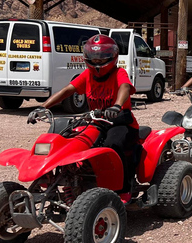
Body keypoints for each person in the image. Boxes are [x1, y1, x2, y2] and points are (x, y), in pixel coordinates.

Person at [26, 34, 139, 201]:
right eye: (94, 57)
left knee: (112, 147)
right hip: (97, 122)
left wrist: (116, 106)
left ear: (112, 57)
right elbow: (67, 90)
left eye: (102, 58)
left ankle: (124, 189)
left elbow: (124, 87)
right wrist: (42, 107)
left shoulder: (119, 72)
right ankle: (69, 183)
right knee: (70, 142)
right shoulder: (87, 75)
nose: (98, 62)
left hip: (121, 121)